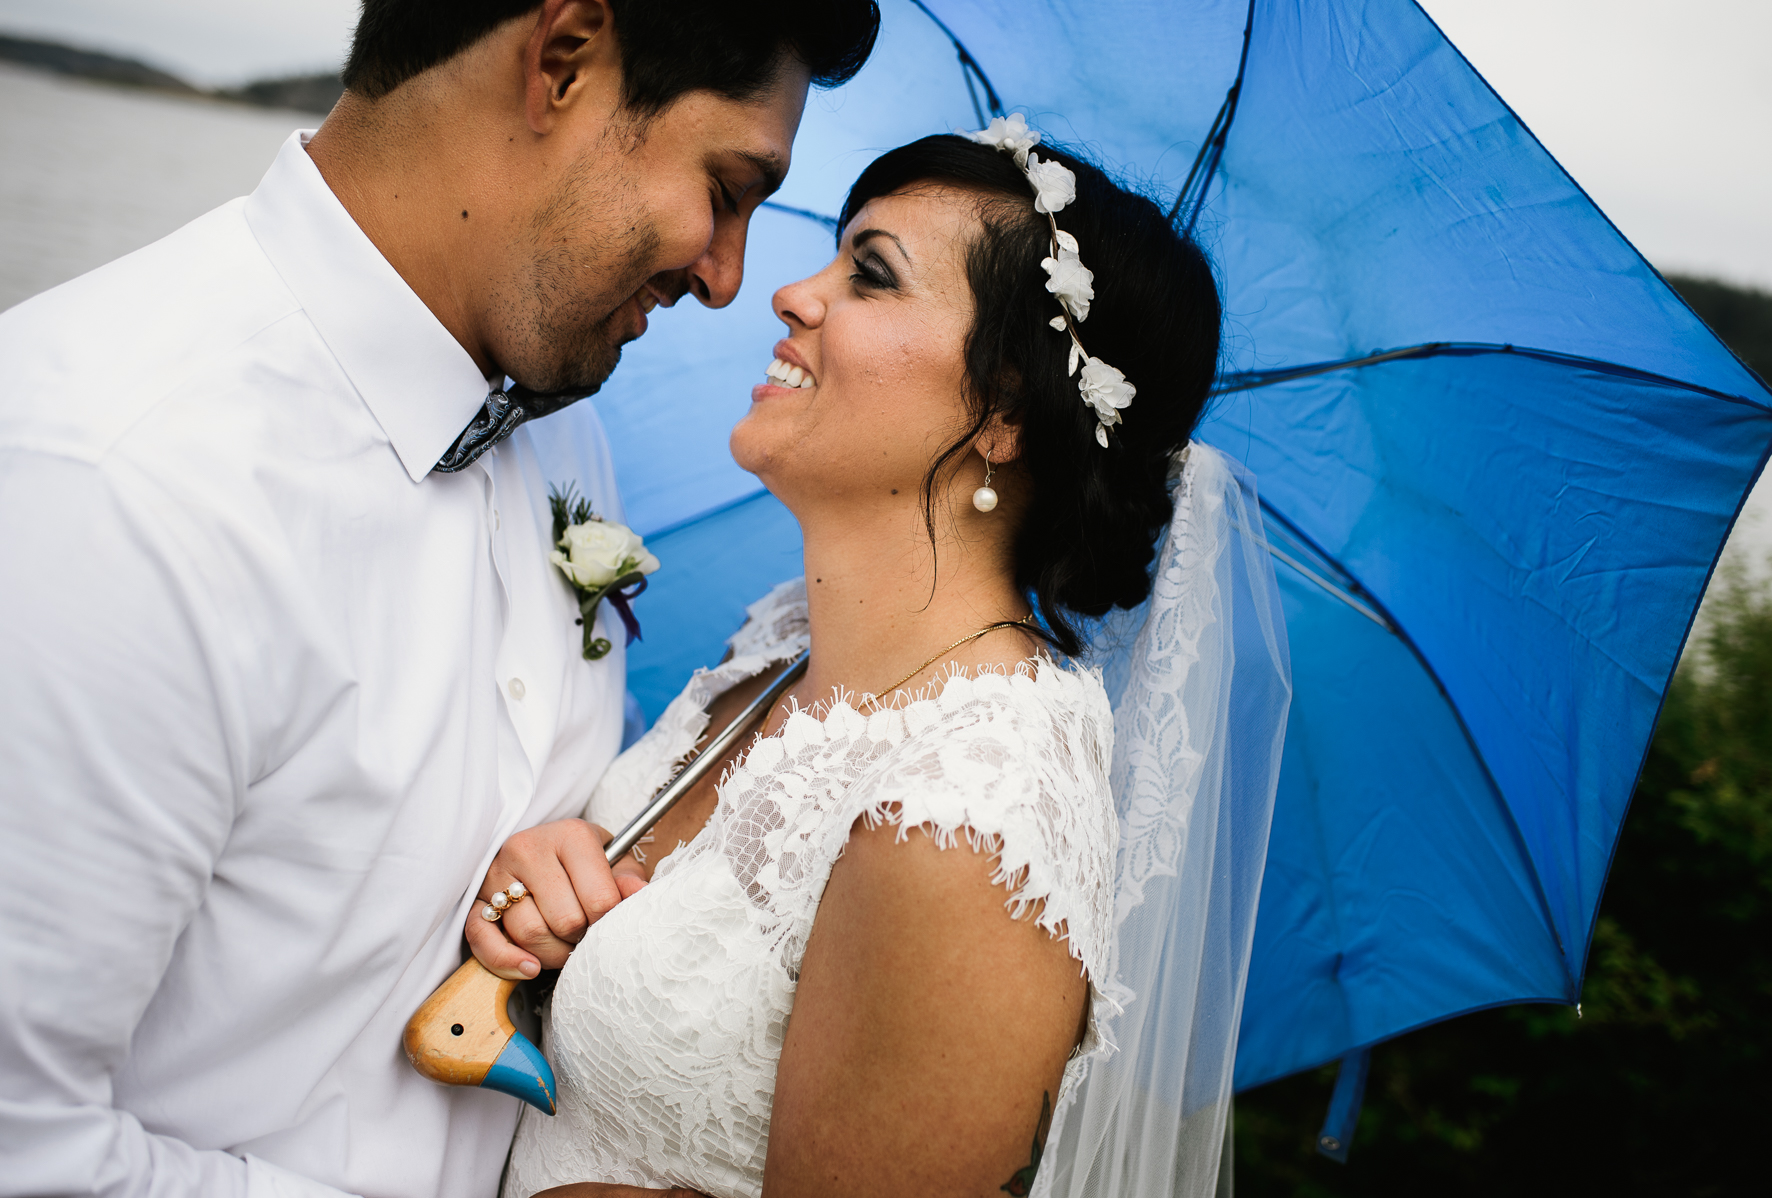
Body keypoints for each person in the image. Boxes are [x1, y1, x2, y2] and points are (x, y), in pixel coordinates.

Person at [0, 2, 877, 1195]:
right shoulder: (110, 483)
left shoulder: (567, 447)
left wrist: (536, 876)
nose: (728, 278)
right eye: (727, 189)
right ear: (563, 62)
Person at [489, 123, 1290, 1198]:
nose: (791, 295)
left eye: (869, 275)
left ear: (1003, 407)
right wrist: (558, 874)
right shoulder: (781, 644)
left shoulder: (977, 810)